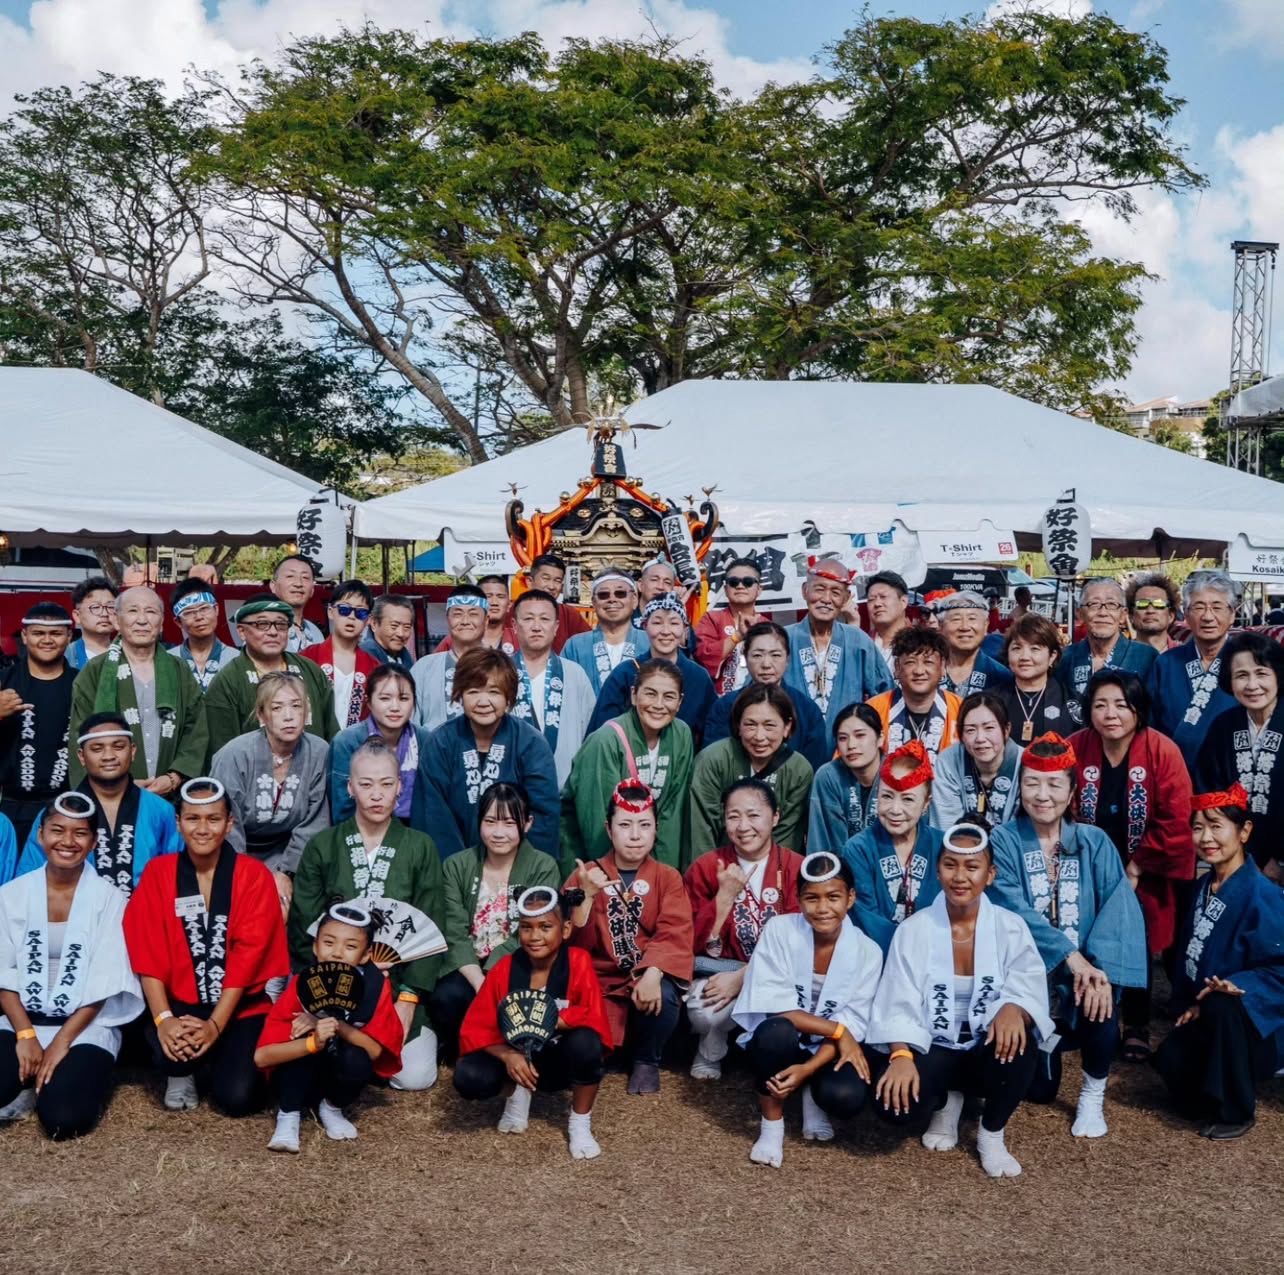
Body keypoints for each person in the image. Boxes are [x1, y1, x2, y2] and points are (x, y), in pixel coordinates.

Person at [868, 822, 1053, 1178]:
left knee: (1020, 1042)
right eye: (951, 865)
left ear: (990, 874)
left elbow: (1028, 984)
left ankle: (991, 1134)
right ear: (938, 871)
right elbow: (896, 1000)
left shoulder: (1010, 926)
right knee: (891, 1108)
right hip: (934, 1047)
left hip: (986, 1047)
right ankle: (946, 1100)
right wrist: (902, 1055)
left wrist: (1015, 1007)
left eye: (972, 866)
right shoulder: (914, 929)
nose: (960, 876)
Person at [988, 734, 1147, 1140]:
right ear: (1019, 786)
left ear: (1072, 790)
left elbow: (1118, 908)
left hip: (1084, 975)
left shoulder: (1094, 841)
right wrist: (1069, 956)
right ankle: (1044, 1051)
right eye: (1032, 784)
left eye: (1055, 785)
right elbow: (1010, 906)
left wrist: (1096, 969)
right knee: (1039, 1091)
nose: (1042, 795)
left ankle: (1093, 1093)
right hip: (1028, 976)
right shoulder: (1003, 840)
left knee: (1101, 996)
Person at [124, 778, 289, 1116]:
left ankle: (211, 1058)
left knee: (238, 1099)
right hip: (179, 1004)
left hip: (240, 1006)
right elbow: (147, 953)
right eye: (192, 819)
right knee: (165, 1038)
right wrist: (165, 1020)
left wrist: (214, 1025)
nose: (202, 829)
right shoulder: (159, 873)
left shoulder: (254, 875)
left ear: (229, 824)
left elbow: (248, 959)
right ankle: (182, 1068)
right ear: (178, 823)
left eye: (213, 819)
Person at [289, 739, 445, 1092]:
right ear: (349, 787)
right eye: (366, 784)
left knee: (414, 1077)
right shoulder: (323, 846)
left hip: (397, 986)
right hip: (333, 984)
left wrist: (408, 1000)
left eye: (387, 784)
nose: (377, 795)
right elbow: (304, 925)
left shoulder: (421, 847)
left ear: (400, 787)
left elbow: (432, 922)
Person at [0, 793, 142, 1138]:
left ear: (93, 842)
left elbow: (104, 982)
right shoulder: (11, 894)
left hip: (83, 1027)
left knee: (65, 1119)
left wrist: (62, 1041)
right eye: (57, 830)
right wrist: (26, 1034)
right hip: (21, 1021)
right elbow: (4, 975)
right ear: (40, 835)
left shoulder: (110, 899)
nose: (67, 841)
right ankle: (26, 1081)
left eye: (80, 834)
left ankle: (57, 1080)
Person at [1070, 671, 1195, 1060]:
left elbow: (1176, 817)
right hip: (1087, 861)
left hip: (1145, 866)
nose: (1111, 714)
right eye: (1101, 704)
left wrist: (1137, 866)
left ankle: (1136, 1024)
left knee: (1137, 934)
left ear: (1138, 710)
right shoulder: (1076, 746)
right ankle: (1083, 1013)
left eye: (1122, 705)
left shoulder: (1162, 750)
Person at [731, 851, 882, 1166]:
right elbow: (776, 1010)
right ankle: (771, 1125)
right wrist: (838, 1031)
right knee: (774, 1034)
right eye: (812, 898)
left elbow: (852, 1022)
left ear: (850, 898)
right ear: (798, 900)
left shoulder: (868, 952)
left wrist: (808, 1069)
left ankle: (813, 1093)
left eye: (833, 897)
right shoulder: (780, 931)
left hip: (824, 1049)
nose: (823, 908)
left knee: (846, 1098)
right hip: (785, 1035)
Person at [1154, 783, 1284, 1139]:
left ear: (1244, 832)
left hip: (1253, 1026)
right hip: (1209, 1013)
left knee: (1227, 1005)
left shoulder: (1264, 895)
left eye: (1216, 826)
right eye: (1198, 827)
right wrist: (1193, 1003)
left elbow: (1279, 968)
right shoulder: (1202, 887)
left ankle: (1237, 1111)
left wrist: (1241, 986)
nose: (1206, 838)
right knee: (1170, 1065)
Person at [455, 884, 611, 1157]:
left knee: (587, 1043)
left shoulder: (578, 961)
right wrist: (507, 1056)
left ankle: (579, 1124)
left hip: (558, 1055)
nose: (534, 936)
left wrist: (549, 1021)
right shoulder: (505, 967)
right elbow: (476, 1027)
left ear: (564, 930)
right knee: (470, 1076)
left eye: (545, 927)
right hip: (516, 1054)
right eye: (526, 927)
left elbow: (592, 1013)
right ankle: (517, 1095)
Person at [566, 781, 693, 1095]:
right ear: (609, 830)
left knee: (662, 993)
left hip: (642, 977)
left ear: (656, 829)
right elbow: (569, 946)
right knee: (585, 1051)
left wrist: (653, 971)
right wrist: (585, 898)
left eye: (644, 825)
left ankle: (646, 1059)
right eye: (625, 825)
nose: (635, 835)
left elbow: (675, 932)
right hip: (598, 983)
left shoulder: (667, 876)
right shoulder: (586, 874)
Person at [255, 902, 404, 1153]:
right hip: (298, 1075)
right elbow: (262, 1057)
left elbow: (377, 1052)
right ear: (315, 946)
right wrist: (313, 1040)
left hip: (339, 1073)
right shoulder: (303, 984)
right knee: (301, 1043)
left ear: (367, 954)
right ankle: (288, 1115)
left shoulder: (374, 987)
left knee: (358, 1058)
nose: (337, 953)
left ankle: (332, 1107)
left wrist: (336, 1027)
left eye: (350, 946)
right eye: (328, 942)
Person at [684, 779, 804, 1080]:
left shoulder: (794, 867)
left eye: (753, 815)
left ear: (775, 817)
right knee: (704, 1010)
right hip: (718, 969)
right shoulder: (706, 866)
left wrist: (744, 977)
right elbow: (688, 940)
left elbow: (799, 940)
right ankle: (710, 1047)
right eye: (733, 816)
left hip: (779, 975)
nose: (743, 826)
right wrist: (723, 899)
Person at [431, 784, 561, 1053]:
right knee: (447, 996)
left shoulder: (542, 866)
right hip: (468, 966)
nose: (498, 833)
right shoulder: (457, 865)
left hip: (518, 963)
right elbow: (453, 929)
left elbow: (536, 928)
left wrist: (493, 976)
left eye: (509, 823)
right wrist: (480, 981)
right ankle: (461, 1047)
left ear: (527, 824)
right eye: (490, 822)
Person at [418, 648, 560, 860]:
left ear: (509, 697)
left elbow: (543, 818)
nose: (483, 701)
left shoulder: (531, 743)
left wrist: (523, 871)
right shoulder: (440, 742)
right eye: (473, 691)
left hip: (516, 868)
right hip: (454, 871)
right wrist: (459, 872)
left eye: (494, 692)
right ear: (459, 695)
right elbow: (434, 817)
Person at [22, 713, 184, 894]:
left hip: (145, 916)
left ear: (133, 751)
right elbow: (30, 877)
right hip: (75, 916)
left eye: (118, 747)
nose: (108, 756)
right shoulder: (58, 813)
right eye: (97, 749)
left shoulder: (161, 810)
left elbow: (176, 873)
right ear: (82, 757)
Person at [69, 586, 207, 797]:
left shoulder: (179, 669)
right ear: (116, 620)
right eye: (133, 611)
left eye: (151, 612)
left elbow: (196, 731)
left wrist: (174, 777)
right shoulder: (95, 671)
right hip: (109, 794)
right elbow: (81, 735)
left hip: (171, 794)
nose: (142, 620)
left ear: (161, 623)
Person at [561, 660, 694, 871]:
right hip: (593, 854)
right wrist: (618, 880)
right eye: (650, 694)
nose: (659, 705)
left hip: (643, 849)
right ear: (634, 694)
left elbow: (672, 814)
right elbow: (597, 821)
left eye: (669, 697)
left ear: (680, 702)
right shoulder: (605, 741)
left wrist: (663, 876)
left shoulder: (681, 734)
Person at [210, 672, 331, 892]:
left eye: (296, 706)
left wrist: (286, 872)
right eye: (276, 708)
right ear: (261, 715)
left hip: (294, 857)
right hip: (236, 855)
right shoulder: (235, 755)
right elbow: (225, 820)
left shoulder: (319, 752)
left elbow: (315, 822)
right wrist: (248, 872)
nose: (288, 716)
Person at [841, 740, 944, 955]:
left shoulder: (942, 847)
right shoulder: (857, 849)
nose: (895, 810)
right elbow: (865, 917)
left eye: (908, 799)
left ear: (926, 803)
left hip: (934, 956)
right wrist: (908, 955)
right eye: (887, 796)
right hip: (873, 959)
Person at [688, 685, 813, 861]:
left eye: (769, 726)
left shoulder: (798, 769)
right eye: (750, 725)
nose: (759, 736)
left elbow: (787, 838)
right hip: (718, 866)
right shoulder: (713, 760)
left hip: (768, 870)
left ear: (787, 726)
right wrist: (709, 876)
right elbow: (701, 830)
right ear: (738, 725)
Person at [203, 596, 338, 757]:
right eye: (262, 624)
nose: (273, 632)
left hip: (312, 772)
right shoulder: (228, 680)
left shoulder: (310, 670)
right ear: (241, 631)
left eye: (281, 625)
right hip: (252, 776)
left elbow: (331, 732)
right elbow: (222, 749)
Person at [1195, 632, 1284, 874]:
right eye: (1241, 676)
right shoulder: (1223, 726)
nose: (1252, 685)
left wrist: (1277, 859)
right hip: (1235, 859)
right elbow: (1208, 789)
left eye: (1262, 673)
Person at [702, 621, 830, 771]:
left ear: (787, 659)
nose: (766, 664)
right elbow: (713, 762)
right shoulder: (725, 707)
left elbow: (814, 768)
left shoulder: (807, 709)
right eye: (757, 655)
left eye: (776, 655)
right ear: (745, 657)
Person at [588, 594, 716, 743]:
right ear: (644, 626)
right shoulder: (625, 673)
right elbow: (603, 731)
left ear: (685, 628)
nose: (666, 631)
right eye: (657, 622)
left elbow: (710, 734)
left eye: (674, 623)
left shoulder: (698, 677)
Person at [786, 556, 890, 733]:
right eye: (819, 589)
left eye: (835, 592)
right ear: (805, 591)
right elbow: (757, 693)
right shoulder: (783, 638)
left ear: (846, 598)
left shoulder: (858, 641)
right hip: (790, 754)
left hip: (846, 753)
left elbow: (886, 696)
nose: (826, 599)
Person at [1149, 571, 1239, 772]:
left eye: (1217, 607)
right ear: (1186, 615)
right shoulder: (1166, 663)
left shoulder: (1246, 663)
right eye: (1198, 607)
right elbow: (1150, 726)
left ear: (1232, 614)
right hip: (1174, 774)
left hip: (1232, 779)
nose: (1208, 616)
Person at [0, 602, 75, 844]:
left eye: (55, 633)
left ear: (69, 636)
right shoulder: (4, 681)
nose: (47, 640)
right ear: (24, 635)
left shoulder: (83, 684)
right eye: (38, 633)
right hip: (9, 806)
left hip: (67, 806)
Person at [508, 590, 596, 785]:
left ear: (556, 627)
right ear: (515, 626)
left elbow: (590, 734)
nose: (537, 627)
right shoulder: (498, 672)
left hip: (565, 787)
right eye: (528, 619)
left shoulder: (575, 674)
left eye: (545, 619)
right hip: (508, 794)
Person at [329, 664, 430, 827]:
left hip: (415, 834)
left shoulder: (425, 739)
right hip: (361, 832)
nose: (395, 707)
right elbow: (342, 808)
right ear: (368, 702)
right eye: (385, 698)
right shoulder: (347, 742)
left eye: (404, 698)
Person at [1058, 579, 1157, 727]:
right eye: (1093, 604)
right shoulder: (1065, 658)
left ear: (1123, 614)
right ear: (1080, 613)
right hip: (1077, 746)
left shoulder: (1147, 657)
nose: (1103, 612)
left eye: (1111, 605)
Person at [930, 693, 1024, 829]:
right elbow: (945, 825)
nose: (980, 738)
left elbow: (1024, 828)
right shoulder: (948, 760)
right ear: (960, 734)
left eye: (989, 728)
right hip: (958, 845)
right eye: (970, 730)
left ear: (1006, 730)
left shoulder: (1026, 763)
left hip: (1011, 848)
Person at [866, 626, 960, 761]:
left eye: (928, 662)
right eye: (910, 662)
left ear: (942, 667)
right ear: (897, 667)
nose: (919, 671)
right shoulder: (873, 710)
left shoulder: (961, 710)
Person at [301, 579, 380, 728]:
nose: (351, 616)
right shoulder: (307, 657)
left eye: (360, 612)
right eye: (344, 609)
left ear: (368, 620)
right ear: (331, 612)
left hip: (355, 746)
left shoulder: (375, 667)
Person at [411, 584, 489, 731]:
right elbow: (410, 724)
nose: (465, 621)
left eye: (473, 614)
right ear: (447, 619)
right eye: (458, 614)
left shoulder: (501, 666)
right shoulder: (423, 668)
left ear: (486, 620)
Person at [807, 703, 883, 854]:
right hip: (840, 870)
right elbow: (822, 840)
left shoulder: (898, 772)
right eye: (843, 738)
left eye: (860, 735)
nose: (851, 745)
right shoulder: (828, 776)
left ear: (880, 738)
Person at [562, 569, 650, 694]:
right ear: (594, 602)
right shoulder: (575, 646)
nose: (612, 599)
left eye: (620, 593)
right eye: (603, 595)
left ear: (634, 599)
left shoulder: (651, 642)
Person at [694, 557, 768, 694]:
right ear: (726, 588)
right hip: (717, 700)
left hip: (757, 701)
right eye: (734, 582)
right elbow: (703, 657)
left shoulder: (768, 627)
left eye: (748, 582)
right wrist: (737, 636)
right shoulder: (711, 619)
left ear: (759, 589)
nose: (740, 586)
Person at [999, 611, 1071, 742]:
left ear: (1052, 656)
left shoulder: (1070, 702)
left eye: (1035, 649)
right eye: (1016, 648)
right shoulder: (992, 699)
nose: (1025, 657)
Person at [934, 591, 1013, 698]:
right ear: (941, 626)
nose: (965, 627)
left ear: (986, 625)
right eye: (956, 619)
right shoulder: (926, 671)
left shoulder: (1001, 676)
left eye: (972, 619)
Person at [167, 577, 235, 692]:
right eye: (188, 612)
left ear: (216, 610)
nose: (199, 617)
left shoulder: (236, 659)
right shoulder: (168, 660)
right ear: (178, 622)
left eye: (204, 608)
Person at [522, 553, 590, 651]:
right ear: (529, 581)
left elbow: (587, 645)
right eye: (546, 579)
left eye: (557, 581)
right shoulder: (515, 612)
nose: (552, 586)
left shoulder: (568, 614)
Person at [434, 574, 517, 654]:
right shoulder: (453, 640)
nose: (494, 602)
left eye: (500, 596)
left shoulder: (519, 638)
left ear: (509, 605)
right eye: (488, 596)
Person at [269, 554, 323, 653]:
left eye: (305, 577)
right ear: (273, 586)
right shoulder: (264, 628)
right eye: (290, 576)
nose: (298, 583)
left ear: (312, 590)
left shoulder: (315, 631)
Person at [865, 570, 911, 678]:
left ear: (903, 601)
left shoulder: (921, 643)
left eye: (883, 597)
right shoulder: (863, 644)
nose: (877, 604)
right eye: (871, 599)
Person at [67, 576, 118, 670]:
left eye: (111, 607)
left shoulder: (127, 654)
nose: (105, 613)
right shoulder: (66, 656)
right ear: (77, 616)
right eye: (95, 607)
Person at [1127, 571, 1182, 654]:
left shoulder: (1187, 657)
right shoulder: (1115, 659)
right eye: (1142, 604)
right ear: (1131, 616)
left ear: (1171, 616)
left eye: (1159, 604)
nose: (1150, 611)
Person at [361, 594, 416, 669]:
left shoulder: (403, 654)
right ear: (374, 623)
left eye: (407, 627)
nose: (401, 634)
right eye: (394, 626)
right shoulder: (365, 654)